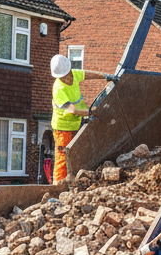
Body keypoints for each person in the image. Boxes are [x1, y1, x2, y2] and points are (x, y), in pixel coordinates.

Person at [50, 54, 116, 183]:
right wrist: (92, 112)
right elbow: (73, 110)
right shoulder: (58, 89)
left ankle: (72, 183)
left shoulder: (74, 74)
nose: (66, 79)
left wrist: (105, 76)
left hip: (76, 124)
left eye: (67, 75)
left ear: (70, 70)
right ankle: (57, 186)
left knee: (76, 154)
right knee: (63, 158)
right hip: (62, 129)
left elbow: (88, 74)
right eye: (62, 77)